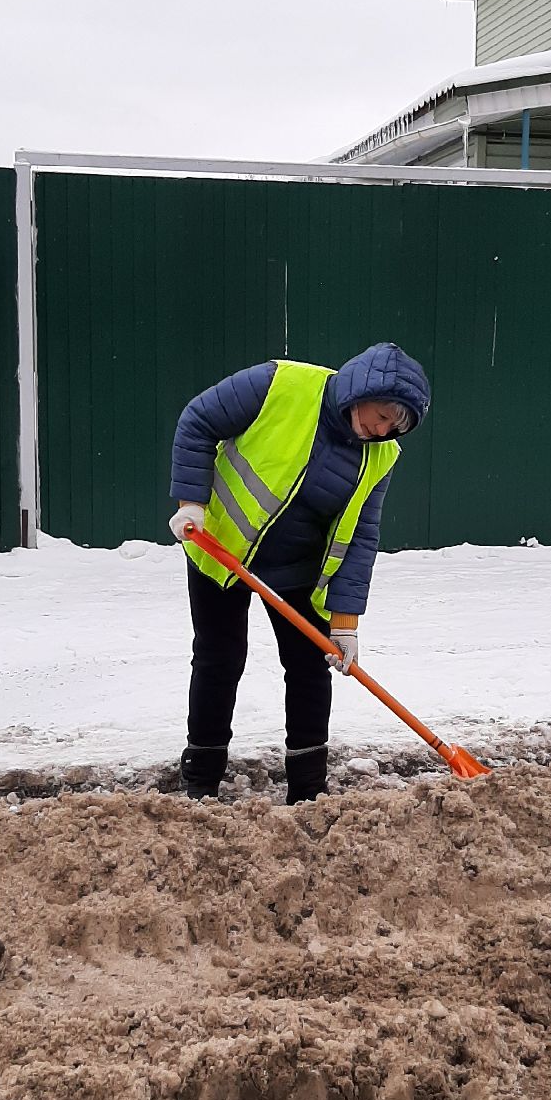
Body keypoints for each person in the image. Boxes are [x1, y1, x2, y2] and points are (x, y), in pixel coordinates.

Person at [169, 341, 431, 804]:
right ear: (362, 388)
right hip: (223, 549)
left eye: (397, 424)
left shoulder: (381, 457)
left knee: (310, 668)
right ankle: (202, 781)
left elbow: (361, 537)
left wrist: (346, 624)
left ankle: (309, 791)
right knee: (219, 658)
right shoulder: (280, 384)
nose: (383, 429)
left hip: (298, 570)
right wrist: (192, 500)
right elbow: (199, 420)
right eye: (384, 413)